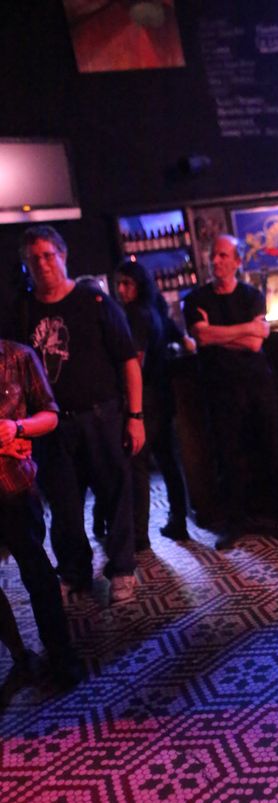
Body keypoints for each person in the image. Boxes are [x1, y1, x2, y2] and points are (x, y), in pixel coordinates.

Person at [18, 225, 145, 604]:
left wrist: (135, 416)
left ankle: (122, 570)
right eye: (34, 258)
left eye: (48, 255)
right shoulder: (22, 310)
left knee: (116, 495)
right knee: (63, 505)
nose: (42, 264)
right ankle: (74, 572)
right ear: (26, 265)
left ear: (63, 255)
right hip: (50, 425)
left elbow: (128, 361)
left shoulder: (95, 301)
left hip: (101, 416)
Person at [183, 234, 278, 550]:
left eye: (223, 255)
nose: (216, 261)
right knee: (227, 455)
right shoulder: (195, 299)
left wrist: (217, 335)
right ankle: (234, 522)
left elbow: (254, 343)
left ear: (237, 261)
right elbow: (202, 338)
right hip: (219, 387)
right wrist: (245, 329)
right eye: (213, 255)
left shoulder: (251, 295)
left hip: (257, 384)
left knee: (272, 448)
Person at [0, 336, 83, 688]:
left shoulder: (18, 356)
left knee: (38, 575)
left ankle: (61, 656)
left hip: (14, 487)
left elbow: (50, 415)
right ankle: (20, 656)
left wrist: (17, 428)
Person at [114, 260, 192, 550]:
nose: (121, 290)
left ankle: (139, 535)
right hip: (163, 392)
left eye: (127, 283)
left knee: (138, 464)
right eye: (119, 284)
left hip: (144, 396)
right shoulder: (156, 307)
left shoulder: (135, 313)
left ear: (139, 285)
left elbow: (135, 361)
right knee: (168, 460)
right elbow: (178, 335)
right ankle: (178, 521)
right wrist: (186, 341)